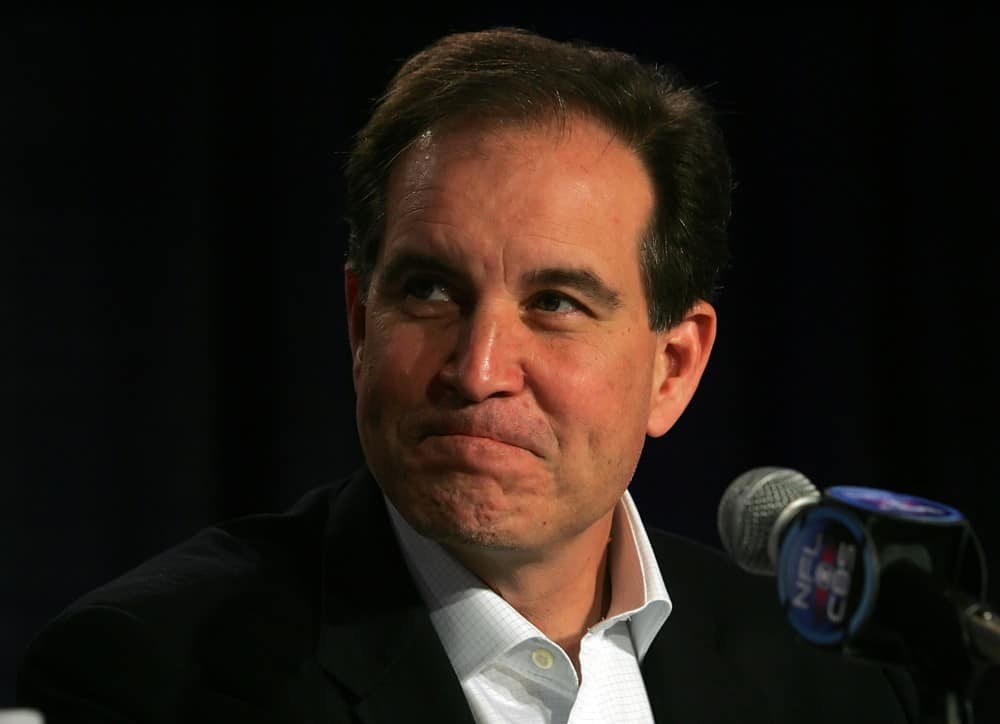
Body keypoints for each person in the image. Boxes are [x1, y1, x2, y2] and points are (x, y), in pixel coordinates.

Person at [17, 28, 917, 723]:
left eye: (556, 302)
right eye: (431, 290)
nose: (478, 370)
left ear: (672, 369)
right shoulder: (148, 679)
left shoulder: (832, 686)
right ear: (360, 323)